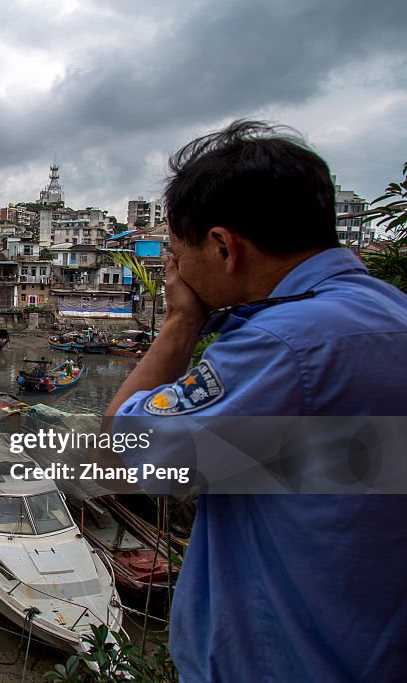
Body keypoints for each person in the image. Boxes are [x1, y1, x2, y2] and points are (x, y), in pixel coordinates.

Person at [105, 120, 407, 682]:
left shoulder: (282, 344)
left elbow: (124, 444)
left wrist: (179, 323)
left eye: (174, 255)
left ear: (223, 246)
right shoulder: (389, 313)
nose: (173, 271)